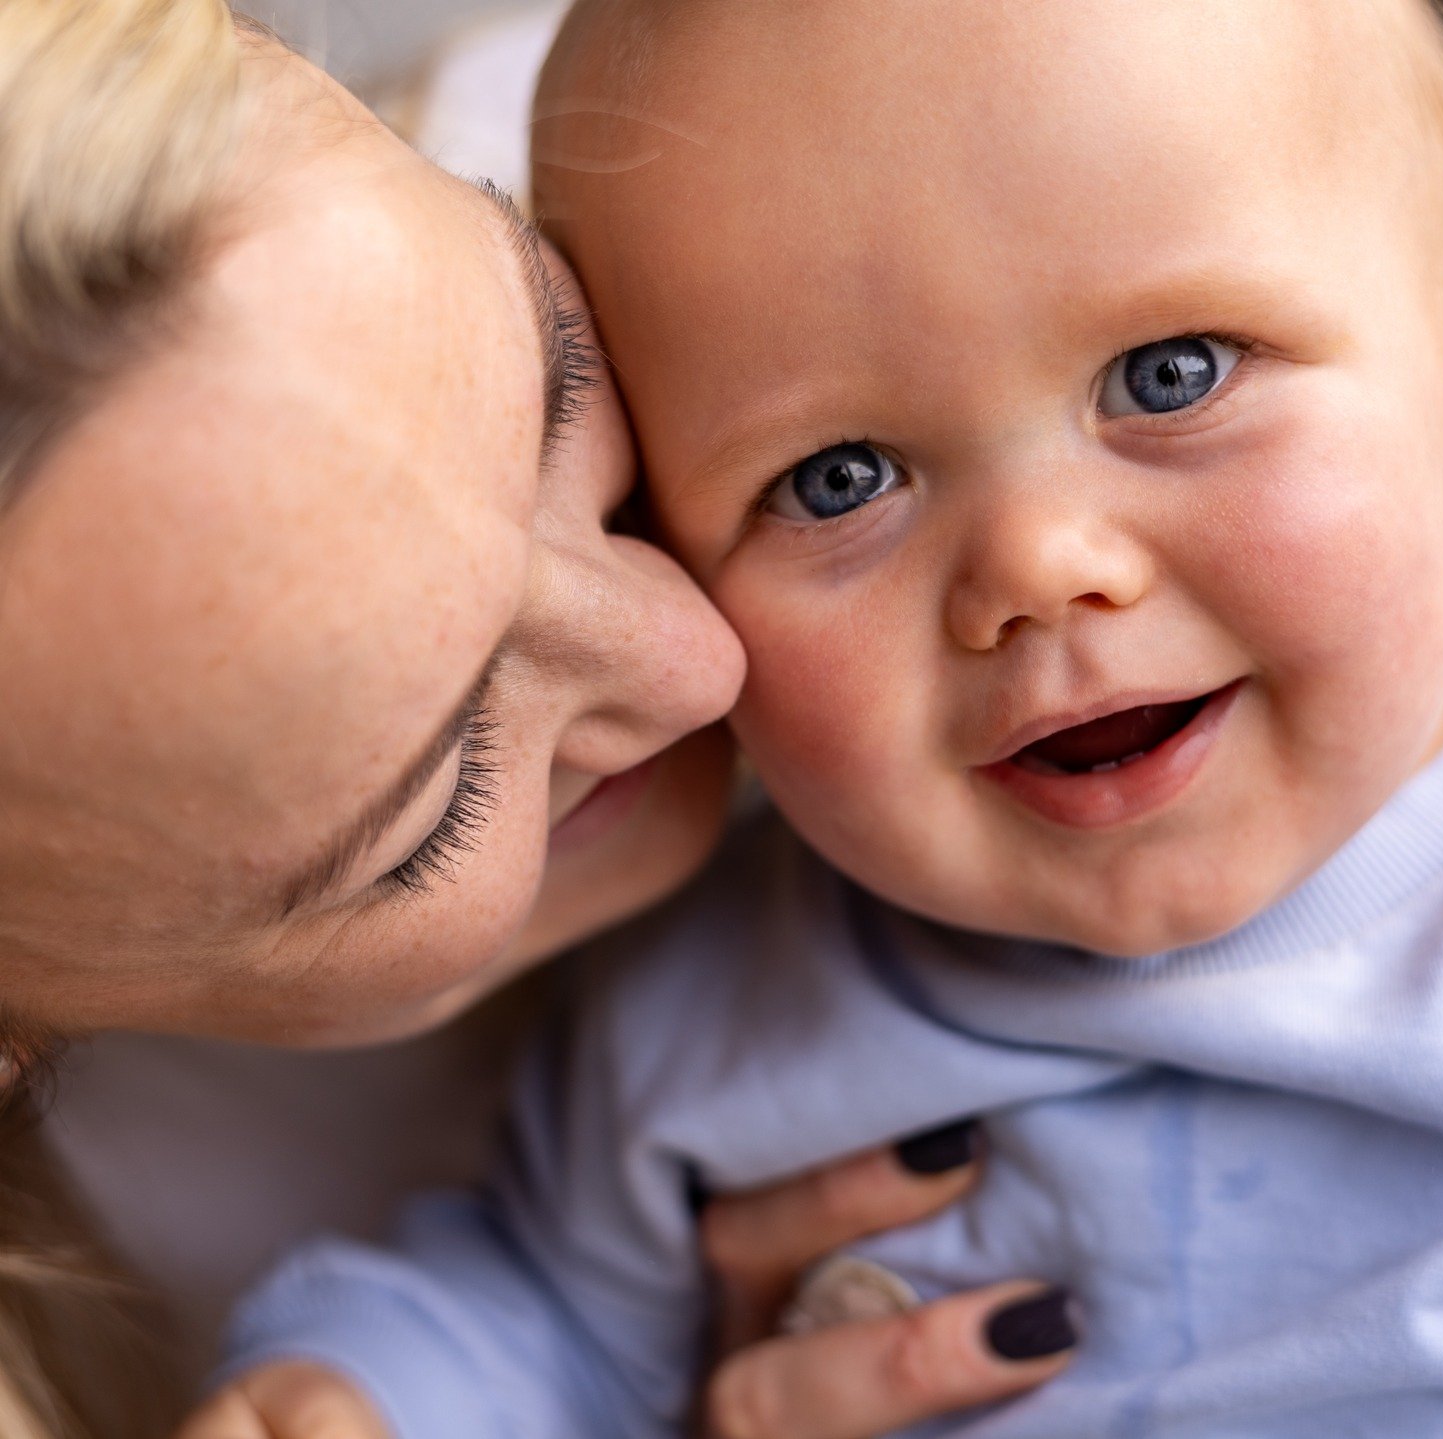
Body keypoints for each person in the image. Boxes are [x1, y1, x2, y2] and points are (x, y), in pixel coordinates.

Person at [213, 0, 1443, 1433]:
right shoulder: (718, 1002)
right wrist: (371, 1386)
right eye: (834, 480)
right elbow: (545, 1325)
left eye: (1172, 372)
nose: (1036, 567)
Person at [0, 4, 1084, 1435]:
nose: (700, 660)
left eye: (558, 379)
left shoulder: (766, 129)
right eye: (440, 793)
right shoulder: (232, 1351)